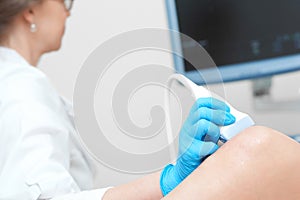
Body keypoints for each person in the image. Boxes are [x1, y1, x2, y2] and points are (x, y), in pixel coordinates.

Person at [1, 0, 300, 200]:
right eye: (63, 2)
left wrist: (172, 179)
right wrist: (169, 179)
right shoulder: (21, 87)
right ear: (30, 11)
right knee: (258, 147)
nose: (67, 12)